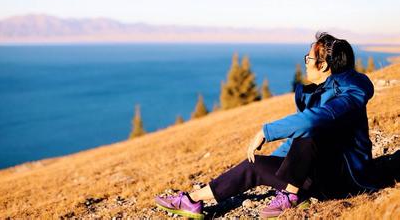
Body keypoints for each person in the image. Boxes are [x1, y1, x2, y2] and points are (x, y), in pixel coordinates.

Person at [155, 32, 377, 219]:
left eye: (308, 59)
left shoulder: (349, 95)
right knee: (255, 166)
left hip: (346, 180)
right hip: (316, 173)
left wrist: (266, 132)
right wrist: (278, 163)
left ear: (324, 65)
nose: (305, 63)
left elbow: (311, 123)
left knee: (313, 129)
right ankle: (192, 200)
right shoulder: (322, 90)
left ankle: (292, 196)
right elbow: (298, 144)